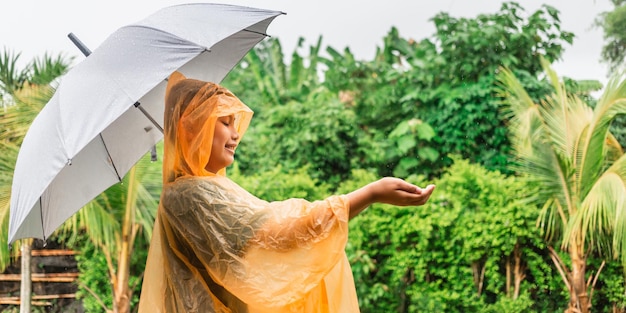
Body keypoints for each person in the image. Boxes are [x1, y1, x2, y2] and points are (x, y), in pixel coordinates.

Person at [138, 71, 435, 313]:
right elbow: (281, 232)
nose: (236, 134)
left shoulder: (200, 190)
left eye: (234, 123)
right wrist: (371, 194)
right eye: (225, 123)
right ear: (193, 129)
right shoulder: (190, 194)